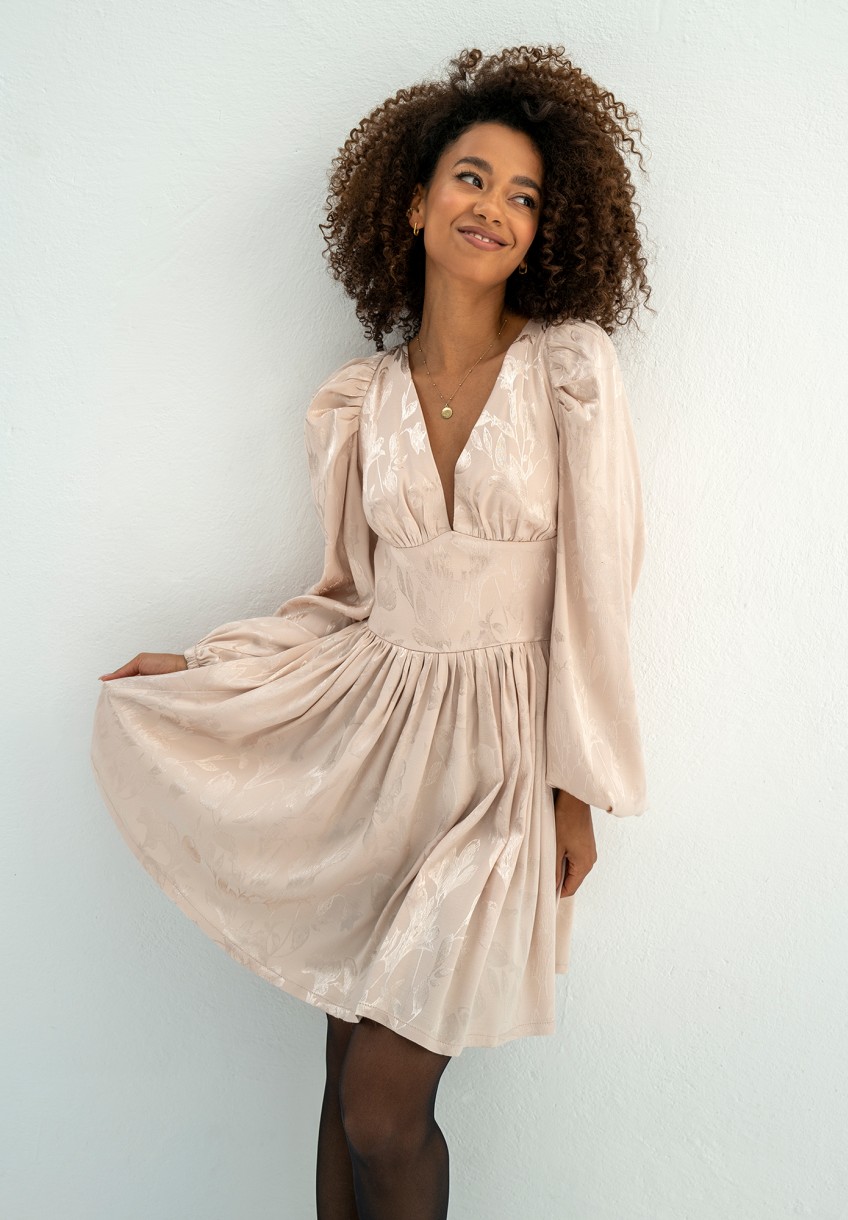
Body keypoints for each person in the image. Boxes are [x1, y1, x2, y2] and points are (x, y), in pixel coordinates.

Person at [91, 44, 652, 1220]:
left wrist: (574, 788)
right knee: (341, 1084)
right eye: (470, 177)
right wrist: (204, 666)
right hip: (373, 756)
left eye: (522, 195)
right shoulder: (360, 403)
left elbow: (597, 590)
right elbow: (346, 598)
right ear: (413, 202)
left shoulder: (568, 374)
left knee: (383, 1109)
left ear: (541, 232)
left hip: (498, 768)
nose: (492, 207)